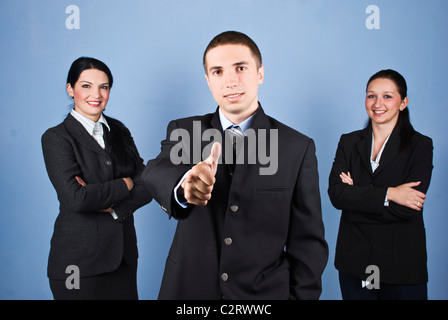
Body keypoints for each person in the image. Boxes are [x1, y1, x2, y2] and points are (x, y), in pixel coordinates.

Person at [142, 31, 328, 300]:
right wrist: (184, 186)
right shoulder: (185, 131)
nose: (230, 81)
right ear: (208, 81)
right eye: (217, 72)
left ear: (260, 73)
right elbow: (155, 171)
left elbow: (308, 242)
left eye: (240, 68)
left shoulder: (297, 147)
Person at [42, 57, 152, 299]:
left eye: (104, 87)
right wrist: (126, 182)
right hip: (79, 264)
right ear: (70, 89)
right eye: (86, 86)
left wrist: (113, 206)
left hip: (122, 260)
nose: (97, 94)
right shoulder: (56, 138)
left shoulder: (119, 130)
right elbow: (77, 199)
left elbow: (147, 183)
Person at [328, 69, 433, 300]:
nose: (377, 103)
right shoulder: (349, 142)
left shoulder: (420, 146)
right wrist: (391, 193)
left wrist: (356, 197)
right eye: (371, 95)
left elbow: (407, 208)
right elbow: (337, 195)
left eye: (387, 96)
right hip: (355, 262)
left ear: (403, 102)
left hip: (401, 265)